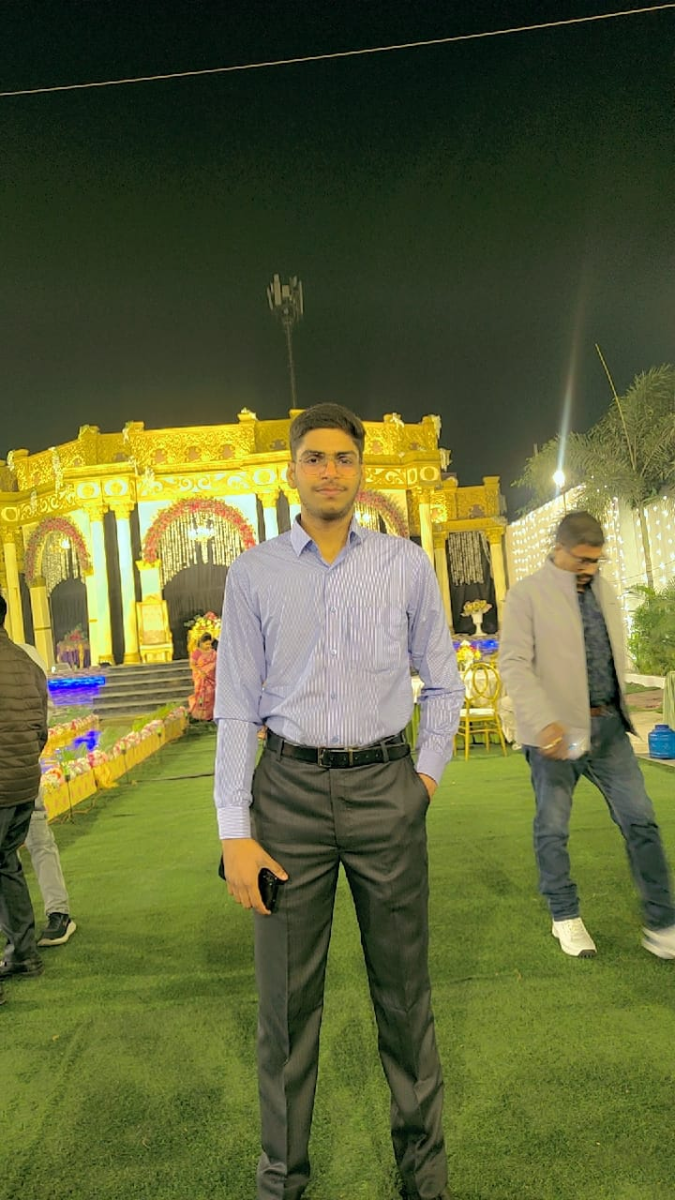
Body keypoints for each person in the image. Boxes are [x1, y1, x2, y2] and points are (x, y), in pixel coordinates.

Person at [214, 402, 463, 1200]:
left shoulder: (403, 564)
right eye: (315, 458)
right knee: (285, 1011)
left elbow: (444, 683)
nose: (330, 471)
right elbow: (235, 707)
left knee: (404, 996)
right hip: (286, 798)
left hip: (386, 790)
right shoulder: (254, 573)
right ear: (291, 470)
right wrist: (233, 830)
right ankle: (282, 1181)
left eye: (344, 458)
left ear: (361, 471)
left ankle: (422, 1178)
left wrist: (421, 781)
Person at [500, 510, 675, 960]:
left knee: (641, 820)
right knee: (553, 827)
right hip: (558, 736)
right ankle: (564, 915)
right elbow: (514, 664)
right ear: (558, 549)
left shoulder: (604, 590)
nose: (590, 569)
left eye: (596, 560)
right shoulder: (526, 595)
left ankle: (662, 922)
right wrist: (544, 721)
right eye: (582, 559)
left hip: (609, 730)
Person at [0, 595, 49, 1003]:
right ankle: (24, 953)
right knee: (6, 865)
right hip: (23, 785)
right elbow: (40, 731)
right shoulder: (26, 662)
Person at [16, 642, 77, 948]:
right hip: (22, 762)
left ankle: (56, 913)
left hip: (20, 766)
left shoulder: (24, 654)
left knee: (37, 839)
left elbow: (43, 711)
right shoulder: (24, 654)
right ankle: (21, 925)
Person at [188, 632, 217, 721]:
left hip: (212, 678)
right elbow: (192, 665)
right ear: (201, 643)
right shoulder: (197, 652)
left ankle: (212, 715)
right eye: (206, 644)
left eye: (210, 644)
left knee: (212, 695)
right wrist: (200, 672)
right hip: (201, 678)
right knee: (201, 696)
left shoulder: (213, 653)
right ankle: (201, 716)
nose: (208, 646)